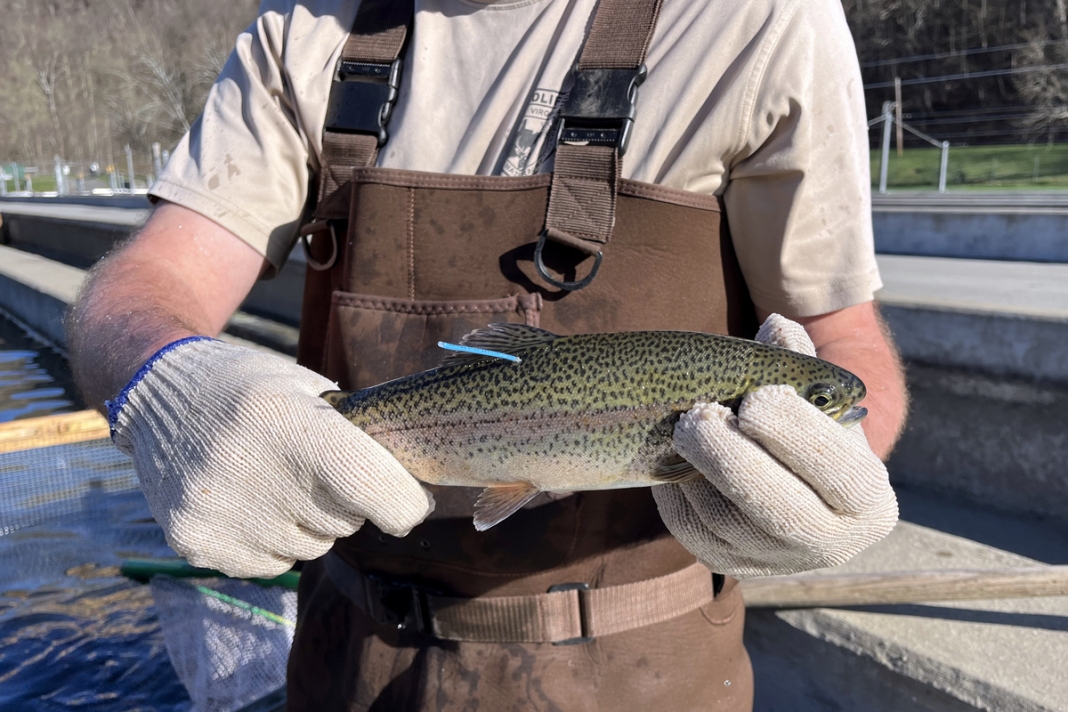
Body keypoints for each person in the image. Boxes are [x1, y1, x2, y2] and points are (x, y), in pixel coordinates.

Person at [67, 0, 908, 709]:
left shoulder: (763, 21)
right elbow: (144, 280)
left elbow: (841, 342)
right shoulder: (308, 21)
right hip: (348, 658)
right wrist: (163, 371)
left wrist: (826, 486)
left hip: (642, 675)